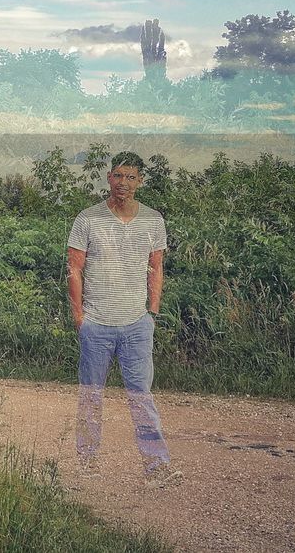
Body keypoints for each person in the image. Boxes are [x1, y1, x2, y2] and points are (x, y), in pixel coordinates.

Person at [67, 152, 183, 487]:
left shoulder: (152, 220)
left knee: (141, 396)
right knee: (91, 394)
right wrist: (80, 317)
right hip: (97, 323)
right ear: (108, 178)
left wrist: (152, 313)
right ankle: (86, 464)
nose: (124, 183)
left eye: (131, 177)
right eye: (118, 176)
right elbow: (74, 268)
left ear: (140, 181)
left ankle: (156, 466)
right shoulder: (88, 219)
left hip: (136, 324)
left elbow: (156, 266)